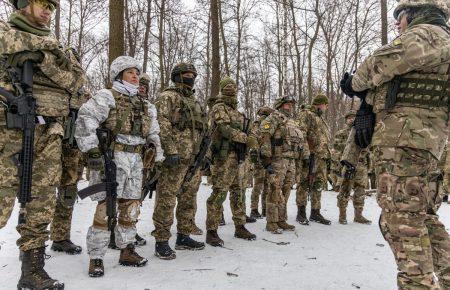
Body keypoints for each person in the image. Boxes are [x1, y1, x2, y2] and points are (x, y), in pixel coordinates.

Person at [340, 1, 450, 288]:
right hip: (422, 143)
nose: (398, 25)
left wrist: (354, 83)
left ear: (414, 13)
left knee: (401, 223)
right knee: (422, 216)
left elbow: (380, 61)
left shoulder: (427, 35)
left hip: (404, 142)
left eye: (400, 18)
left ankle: (418, 284)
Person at [0, 0, 85, 288]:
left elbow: (75, 80)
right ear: (24, 5)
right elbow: (8, 39)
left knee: (41, 203)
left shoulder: (58, 47)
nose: (48, 10)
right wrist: (47, 52)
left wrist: (42, 57)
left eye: (52, 6)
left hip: (50, 132)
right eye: (41, 3)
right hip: (8, 129)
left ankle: (32, 272)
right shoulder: (4, 29)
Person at [75, 56, 163, 277]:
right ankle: (97, 256)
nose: (135, 76)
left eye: (136, 72)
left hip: (136, 160)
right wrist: (92, 151)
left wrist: (156, 155)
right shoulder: (107, 96)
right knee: (105, 207)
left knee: (131, 207)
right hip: (112, 158)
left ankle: (127, 249)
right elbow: (86, 119)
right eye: (129, 72)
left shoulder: (146, 105)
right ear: (118, 75)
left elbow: (153, 132)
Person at [152, 63, 207, 259]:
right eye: (186, 74)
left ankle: (183, 235)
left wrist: (204, 157)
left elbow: (203, 131)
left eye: (193, 74)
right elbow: (162, 124)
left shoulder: (196, 102)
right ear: (176, 76)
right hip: (174, 159)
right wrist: (170, 150)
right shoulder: (168, 97)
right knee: (167, 200)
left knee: (189, 198)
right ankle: (161, 240)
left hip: (193, 160)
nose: (190, 77)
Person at [205, 76, 256, 246]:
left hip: (238, 157)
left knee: (238, 192)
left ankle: (240, 225)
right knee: (219, 192)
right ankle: (211, 231)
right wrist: (245, 138)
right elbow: (224, 128)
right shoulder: (219, 107)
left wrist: (251, 139)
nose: (230, 89)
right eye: (227, 86)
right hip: (224, 157)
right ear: (221, 89)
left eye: (233, 86)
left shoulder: (238, 112)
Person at [259, 96, 309, 234]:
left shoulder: (293, 122)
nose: (290, 107)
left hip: (291, 160)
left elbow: (301, 141)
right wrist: (266, 158)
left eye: (291, 105)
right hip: (277, 159)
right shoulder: (273, 118)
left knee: (286, 191)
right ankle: (271, 222)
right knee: (275, 189)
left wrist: (304, 156)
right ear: (280, 105)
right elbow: (264, 136)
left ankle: (281, 219)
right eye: (287, 105)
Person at [295, 94, 331, 225]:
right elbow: (301, 134)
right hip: (309, 155)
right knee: (304, 183)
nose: (326, 108)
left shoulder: (320, 119)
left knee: (318, 184)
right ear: (320, 104)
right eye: (325, 105)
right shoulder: (306, 114)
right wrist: (305, 153)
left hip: (321, 157)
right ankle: (301, 212)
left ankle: (315, 212)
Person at [334, 110, 371, 225]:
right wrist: (338, 167)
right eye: (349, 118)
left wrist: (369, 165)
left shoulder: (365, 132)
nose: (352, 119)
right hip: (349, 165)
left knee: (360, 191)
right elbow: (337, 151)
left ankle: (358, 215)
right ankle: (342, 215)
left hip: (362, 166)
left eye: (354, 117)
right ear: (346, 120)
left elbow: (369, 150)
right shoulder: (341, 134)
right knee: (345, 190)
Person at [249, 106, 273, 218]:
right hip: (261, 157)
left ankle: (261, 209)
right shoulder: (260, 123)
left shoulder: (258, 123)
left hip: (263, 157)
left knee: (261, 185)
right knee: (261, 185)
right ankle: (256, 209)